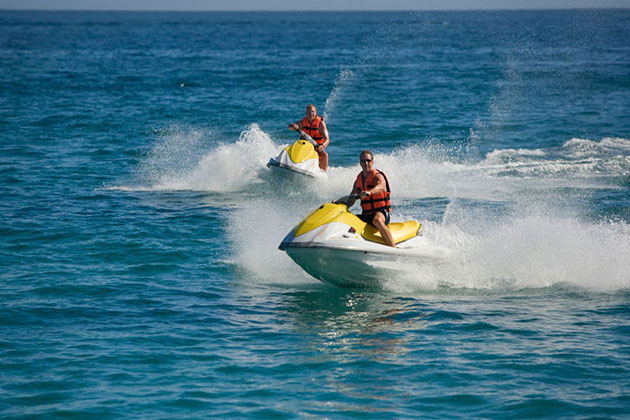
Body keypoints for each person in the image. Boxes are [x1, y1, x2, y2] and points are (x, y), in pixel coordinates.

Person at [345, 150, 395, 247]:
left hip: (381, 212)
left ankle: (393, 247)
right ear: (360, 163)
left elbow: (381, 187)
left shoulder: (377, 176)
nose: (366, 163)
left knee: (376, 220)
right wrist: (341, 203)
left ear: (372, 162)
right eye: (363, 161)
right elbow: (351, 198)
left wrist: (370, 192)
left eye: (368, 160)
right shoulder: (358, 180)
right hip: (367, 214)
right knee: (347, 219)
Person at [288, 104, 330, 171]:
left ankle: (322, 173)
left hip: (316, 149)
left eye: (313, 112)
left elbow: (327, 139)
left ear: (316, 113)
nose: (311, 114)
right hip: (304, 147)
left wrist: (322, 146)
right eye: (309, 112)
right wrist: (293, 126)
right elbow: (291, 127)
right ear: (306, 113)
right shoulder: (302, 123)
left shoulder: (321, 124)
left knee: (325, 155)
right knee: (290, 147)